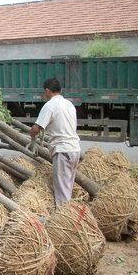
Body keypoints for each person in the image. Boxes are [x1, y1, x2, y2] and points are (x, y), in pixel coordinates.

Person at [29, 78, 81, 206]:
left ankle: (63, 220)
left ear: (47, 91)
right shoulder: (69, 104)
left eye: (44, 92)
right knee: (67, 187)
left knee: (62, 194)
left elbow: (36, 128)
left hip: (62, 151)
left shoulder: (50, 105)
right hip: (74, 150)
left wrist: (32, 137)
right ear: (60, 90)